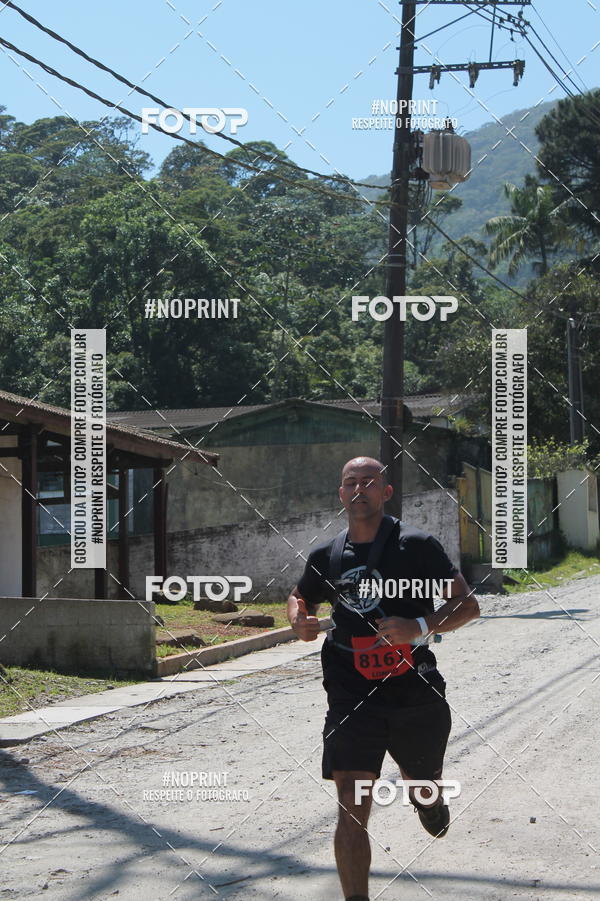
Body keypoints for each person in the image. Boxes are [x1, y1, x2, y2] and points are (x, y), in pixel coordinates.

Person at [287, 456, 479, 901]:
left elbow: (467, 605)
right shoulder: (326, 555)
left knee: (423, 783)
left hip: (414, 689)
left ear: (386, 492)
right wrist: (299, 618)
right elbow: (299, 596)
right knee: (351, 810)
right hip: (351, 693)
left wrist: (420, 626)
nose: (359, 489)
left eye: (369, 482)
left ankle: (428, 798)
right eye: (350, 482)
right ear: (341, 493)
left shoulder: (417, 545)